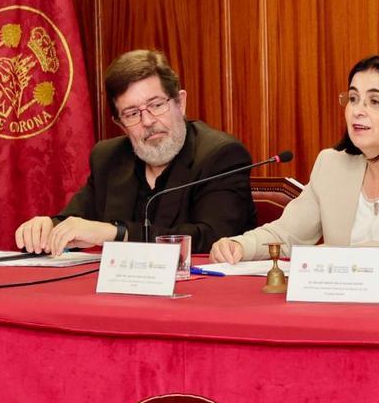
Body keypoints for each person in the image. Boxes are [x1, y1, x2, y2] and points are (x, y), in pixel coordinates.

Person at [210, 55, 379, 267]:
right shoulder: (331, 164)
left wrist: (354, 256)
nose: (357, 110)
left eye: (374, 101)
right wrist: (239, 245)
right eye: (353, 99)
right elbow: (288, 233)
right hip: (337, 300)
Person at [14, 49, 256, 255]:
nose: (148, 121)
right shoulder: (108, 158)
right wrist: (48, 227)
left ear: (180, 103)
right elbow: (77, 219)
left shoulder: (221, 156)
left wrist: (117, 234)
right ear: (120, 124)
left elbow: (213, 239)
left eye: (156, 105)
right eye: (132, 114)